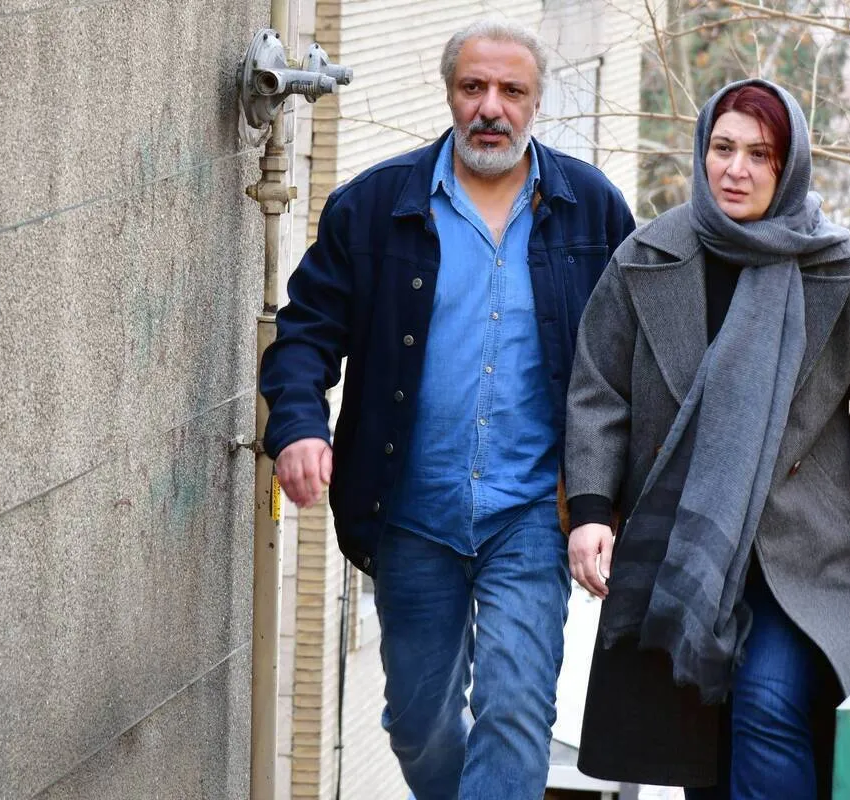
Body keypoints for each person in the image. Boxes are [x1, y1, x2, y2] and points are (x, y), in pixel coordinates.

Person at [259, 19, 635, 800]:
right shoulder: (373, 207)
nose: (490, 108)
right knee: (418, 724)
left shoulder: (592, 210)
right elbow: (305, 333)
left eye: (511, 91)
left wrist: (613, 498)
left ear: (537, 102)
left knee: (516, 709)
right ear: (450, 94)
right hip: (411, 511)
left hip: (533, 512)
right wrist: (298, 426)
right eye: (473, 88)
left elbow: (636, 360)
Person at [563, 78, 850, 799]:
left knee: (766, 703)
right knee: (700, 742)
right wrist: (593, 509)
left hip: (803, 547)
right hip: (683, 538)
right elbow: (598, 389)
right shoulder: (647, 256)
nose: (736, 169)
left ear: (788, 167)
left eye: (760, 154)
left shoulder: (836, 266)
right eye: (723, 148)